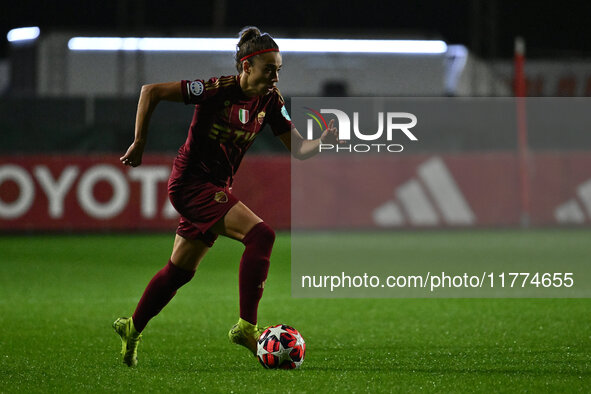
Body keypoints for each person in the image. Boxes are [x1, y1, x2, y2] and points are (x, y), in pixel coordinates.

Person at [113, 26, 338, 367]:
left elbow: (299, 149)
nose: (276, 76)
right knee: (261, 235)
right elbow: (151, 91)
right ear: (247, 66)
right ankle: (246, 327)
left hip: (216, 188)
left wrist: (323, 138)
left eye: (279, 70)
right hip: (191, 184)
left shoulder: (270, 102)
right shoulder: (215, 89)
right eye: (270, 69)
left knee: (179, 272)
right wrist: (139, 141)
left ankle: (133, 326)